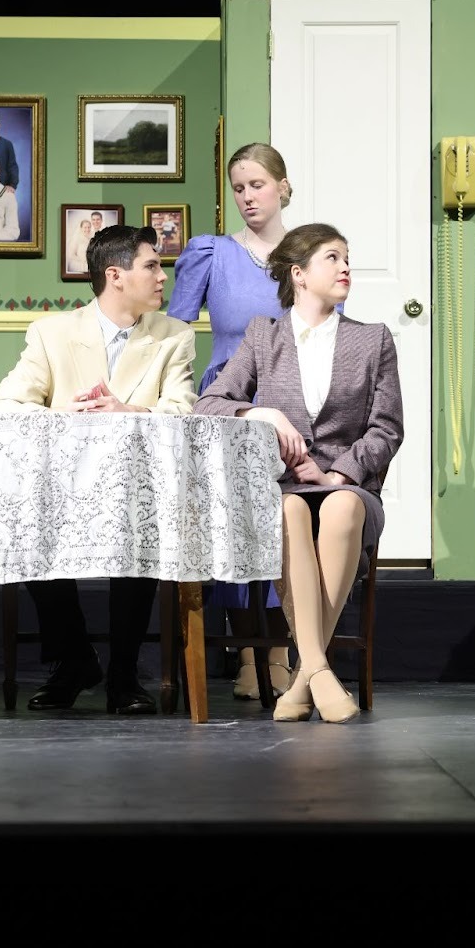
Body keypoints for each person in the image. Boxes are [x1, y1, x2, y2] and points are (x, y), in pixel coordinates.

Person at [0, 224, 196, 715]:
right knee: (29, 523)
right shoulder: (51, 332)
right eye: (152, 266)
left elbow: (184, 409)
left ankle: (124, 674)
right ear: (115, 275)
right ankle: (75, 659)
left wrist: (130, 411)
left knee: (139, 524)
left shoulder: (174, 335)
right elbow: (3, 406)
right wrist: (64, 415)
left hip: (137, 488)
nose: (163, 276)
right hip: (65, 490)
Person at [193, 223, 404, 724]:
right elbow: (209, 404)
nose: (346, 267)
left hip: (348, 485)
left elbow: (388, 428)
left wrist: (338, 475)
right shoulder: (263, 336)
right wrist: (262, 413)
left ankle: (305, 671)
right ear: (299, 274)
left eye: (347, 258)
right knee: (287, 508)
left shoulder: (372, 339)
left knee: (342, 506)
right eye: (333, 257)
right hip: (284, 485)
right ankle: (318, 670)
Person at [167, 142, 324, 698]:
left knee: (286, 519)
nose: (247, 196)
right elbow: (173, 334)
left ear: (283, 186)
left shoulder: (310, 253)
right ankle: (246, 655)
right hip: (228, 405)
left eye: (257, 184)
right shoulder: (210, 253)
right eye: (238, 188)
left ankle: (280, 653)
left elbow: (329, 332)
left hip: (295, 404)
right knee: (233, 523)